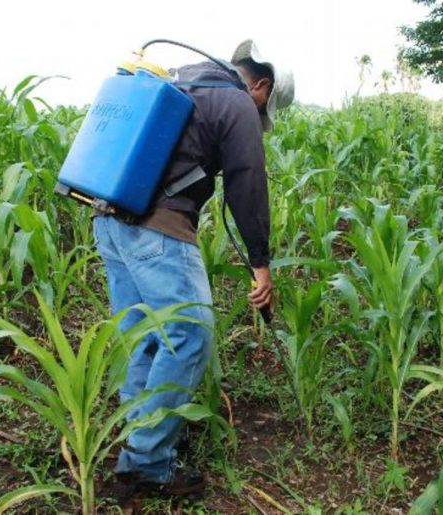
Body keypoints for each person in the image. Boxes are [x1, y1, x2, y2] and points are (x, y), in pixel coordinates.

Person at [92, 39, 294, 496]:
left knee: (146, 336)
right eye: (264, 108)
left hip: (107, 220)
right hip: (155, 227)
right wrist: (261, 264)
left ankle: (136, 446)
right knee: (188, 333)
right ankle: (149, 463)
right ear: (260, 85)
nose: (258, 118)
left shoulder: (183, 78)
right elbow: (247, 181)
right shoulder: (237, 101)